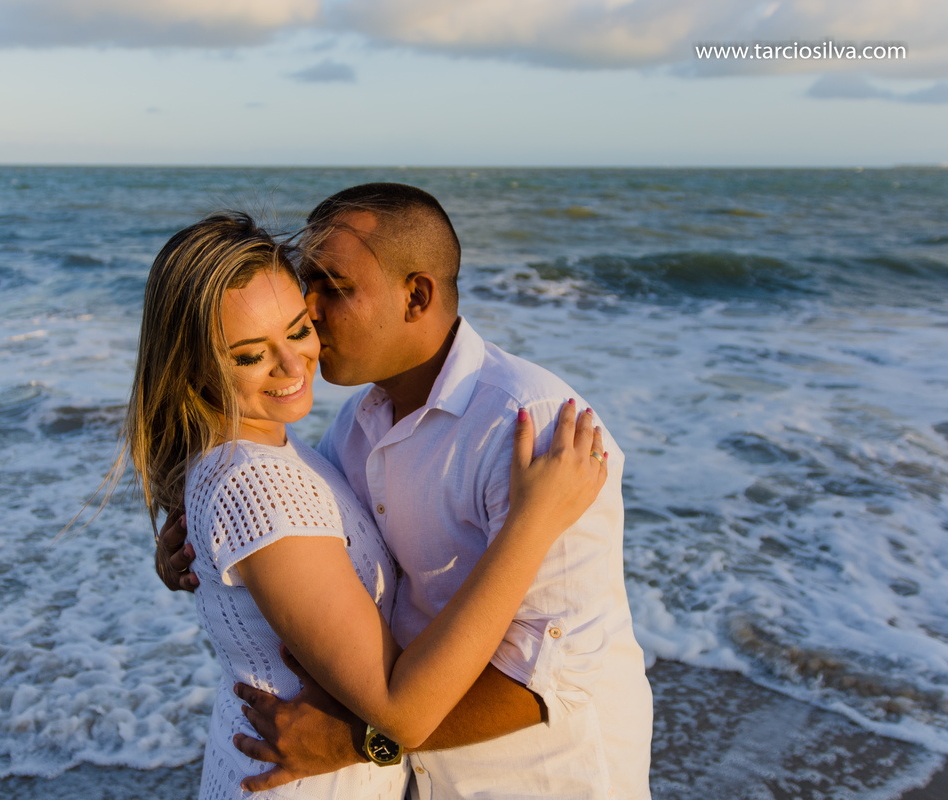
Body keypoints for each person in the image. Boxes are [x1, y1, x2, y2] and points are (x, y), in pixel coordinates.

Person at [156, 184, 653, 800]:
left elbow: (561, 670)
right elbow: (297, 543)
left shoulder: (535, 430)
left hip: (540, 781)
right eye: (304, 280)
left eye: (332, 286)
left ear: (415, 295)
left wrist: (360, 741)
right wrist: (195, 553)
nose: (308, 308)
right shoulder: (356, 426)